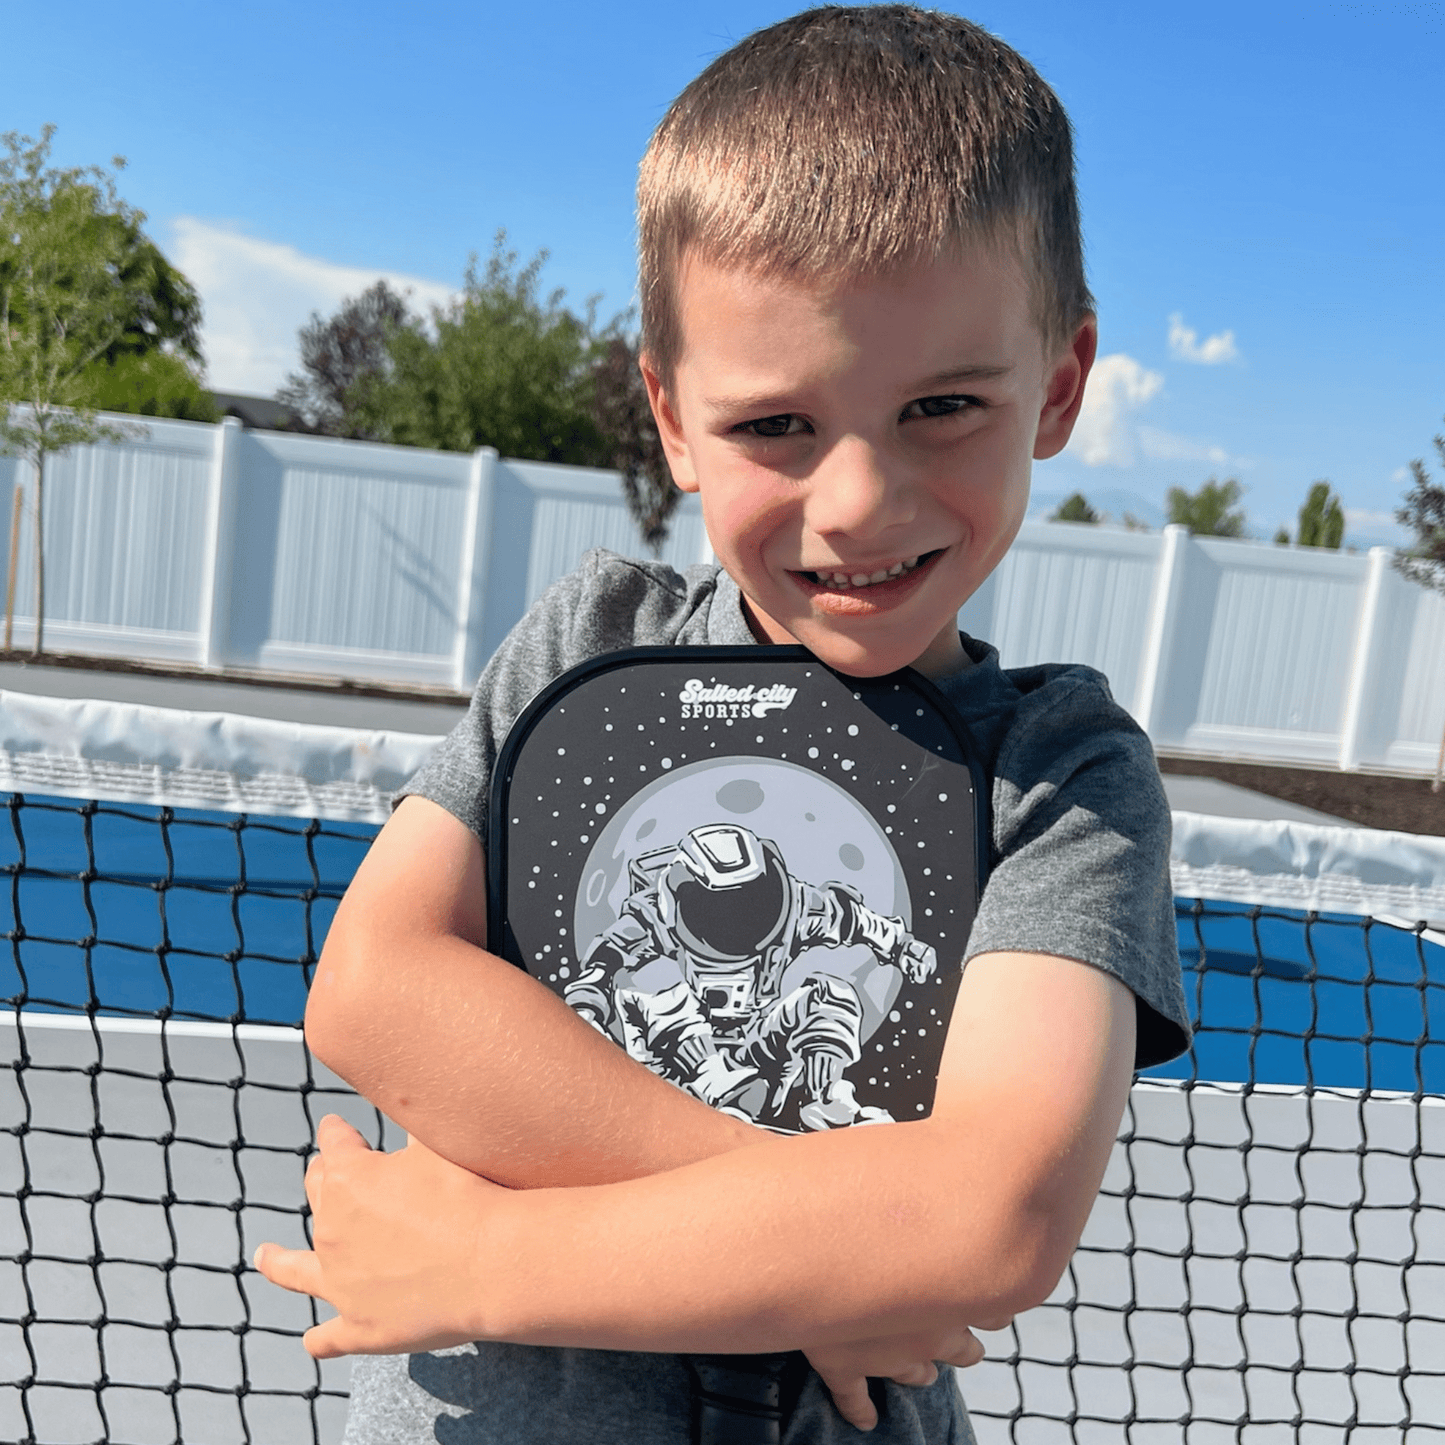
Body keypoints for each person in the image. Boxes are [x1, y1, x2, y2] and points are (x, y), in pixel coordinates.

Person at [254, 8, 1191, 1443]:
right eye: (775, 426)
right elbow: (374, 990)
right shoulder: (586, 643)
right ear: (672, 416)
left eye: (943, 404)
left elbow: (994, 1213)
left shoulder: (1059, 772)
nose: (859, 501)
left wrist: (490, 1260)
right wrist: (825, 1265)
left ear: (1058, 389)